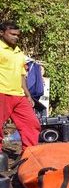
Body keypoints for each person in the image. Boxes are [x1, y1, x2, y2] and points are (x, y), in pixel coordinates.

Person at [0, 21, 40, 149]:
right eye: (12, 34)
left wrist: (27, 95)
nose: (16, 37)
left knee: (31, 123)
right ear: (2, 33)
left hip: (19, 95)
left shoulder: (19, 52)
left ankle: (30, 155)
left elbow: (22, 75)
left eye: (17, 35)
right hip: (2, 93)